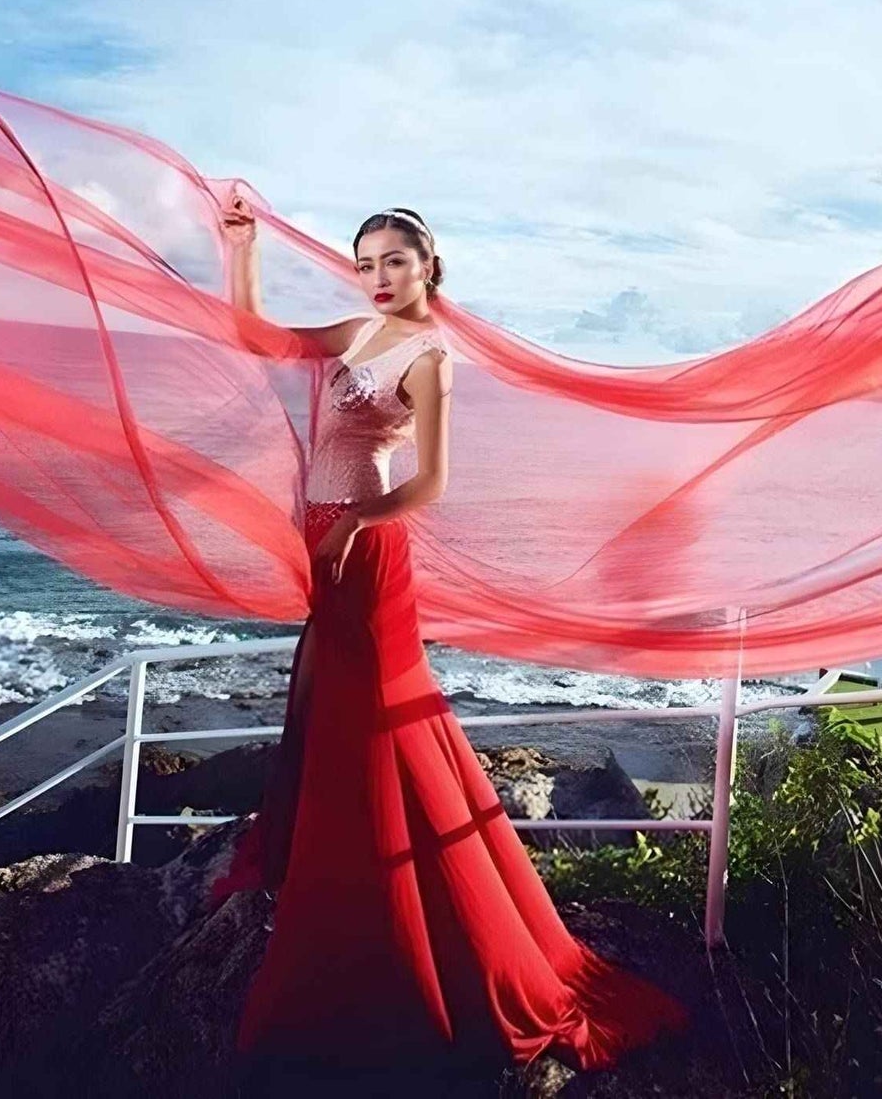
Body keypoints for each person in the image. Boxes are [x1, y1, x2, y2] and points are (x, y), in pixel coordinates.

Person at [204, 197, 691, 1073]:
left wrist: (354, 524)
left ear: (428, 265)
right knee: (319, 702)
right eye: (366, 262)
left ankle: (383, 899)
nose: (379, 277)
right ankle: (324, 862)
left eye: (394, 261)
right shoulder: (359, 330)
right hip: (324, 537)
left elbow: (428, 481)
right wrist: (240, 246)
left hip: (366, 545)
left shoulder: (431, 357)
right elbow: (255, 336)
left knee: (375, 714)